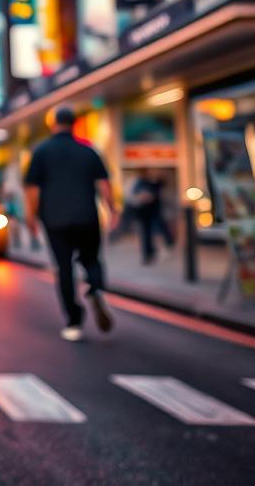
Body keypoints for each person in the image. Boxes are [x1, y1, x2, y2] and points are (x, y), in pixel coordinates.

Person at [24, 107, 117, 341]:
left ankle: (74, 322)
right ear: (74, 123)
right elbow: (104, 184)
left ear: (53, 123)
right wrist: (113, 210)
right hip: (87, 217)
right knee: (92, 259)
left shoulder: (42, 152)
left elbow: (33, 189)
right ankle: (95, 288)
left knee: (64, 269)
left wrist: (31, 217)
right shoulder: (88, 151)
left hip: (56, 220)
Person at [128, 171, 174, 264]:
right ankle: (149, 252)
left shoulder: (152, 184)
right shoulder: (140, 184)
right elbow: (136, 196)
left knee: (158, 230)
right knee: (147, 233)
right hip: (145, 213)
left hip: (152, 213)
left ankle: (160, 247)